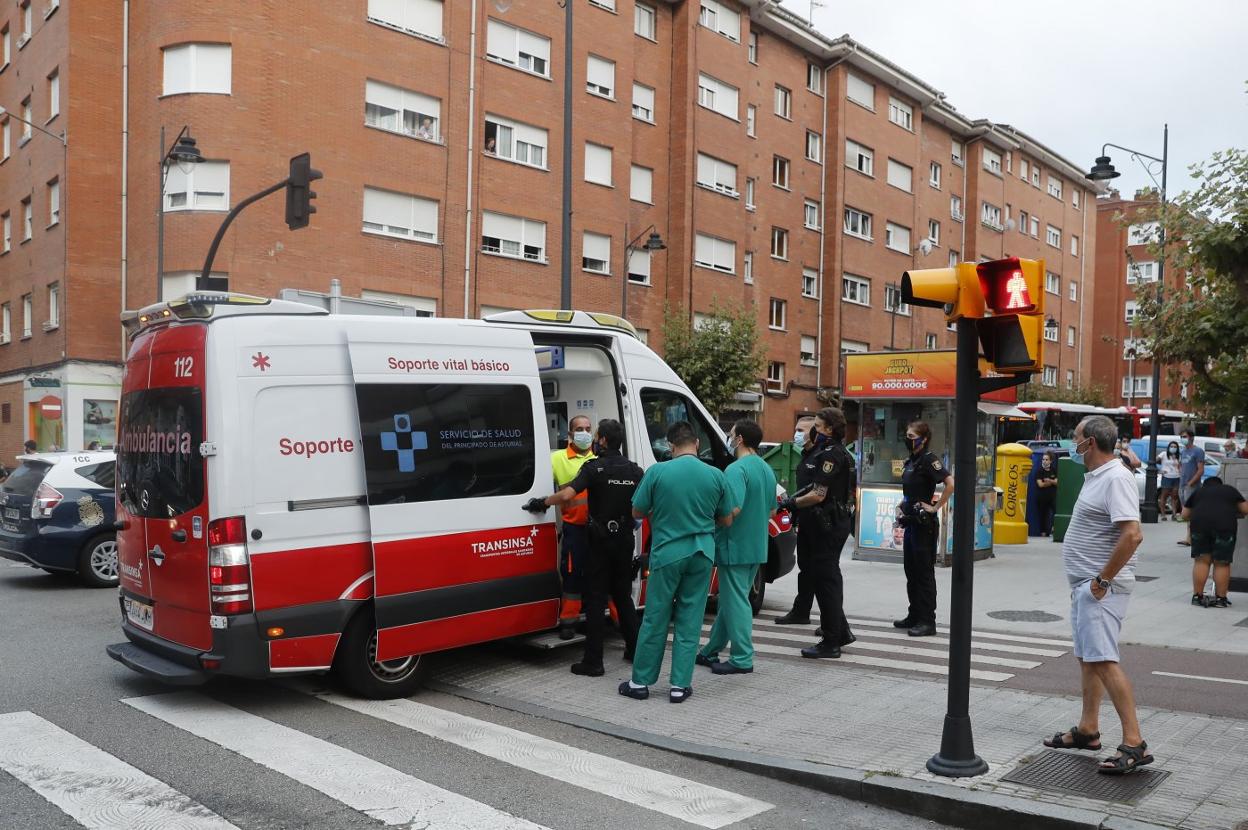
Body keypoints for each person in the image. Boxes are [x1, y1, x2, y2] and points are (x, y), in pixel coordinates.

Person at [1042, 415, 1152, 775]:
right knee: (1089, 658)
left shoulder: (1116, 477)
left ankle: (1134, 742)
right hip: (1087, 587)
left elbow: (1132, 535)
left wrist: (1102, 580)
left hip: (1101, 588)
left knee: (1103, 660)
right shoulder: (1099, 477)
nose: (1073, 444)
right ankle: (1088, 730)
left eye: (1075, 438)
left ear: (1089, 442)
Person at [622, 421, 730, 703]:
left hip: (667, 554)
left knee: (655, 617)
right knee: (690, 619)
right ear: (696, 444)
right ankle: (679, 686)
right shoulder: (716, 475)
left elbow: (636, 509)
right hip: (702, 554)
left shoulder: (657, 472)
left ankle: (640, 683)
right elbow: (727, 518)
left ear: (670, 447)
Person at [526, 419, 643, 674]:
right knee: (623, 597)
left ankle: (593, 661)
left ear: (602, 440)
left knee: (595, 598)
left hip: (600, 542)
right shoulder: (635, 471)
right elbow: (644, 507)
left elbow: (567, 495)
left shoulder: (594, 468)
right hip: (625, 541)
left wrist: (543, 502)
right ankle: (636, 652)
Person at [697, 419, 776, 675]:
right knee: (731, 601)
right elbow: (772, 508)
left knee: (736, 602)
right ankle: (711, 650)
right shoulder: (766, 469)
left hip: (734, 545)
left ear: (740, 439)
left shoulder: (735, 469)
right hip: (756, 545)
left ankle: (742, 658)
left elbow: (732, 510)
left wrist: (708, 517)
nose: (729, 439)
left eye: (731, 435)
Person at [778, 407, 857, 658]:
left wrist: (790, 504)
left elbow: (818, 494)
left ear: (830, 429)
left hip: (828, 524)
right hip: (828, 522)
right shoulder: (834, 453)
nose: (815, 431)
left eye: (819, 427)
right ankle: (840, 632)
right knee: (824, 578)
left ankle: (832, 641)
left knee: (827, 582)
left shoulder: (831, 455)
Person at [893, 420, 953, 637]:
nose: (908, 439)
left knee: (924, 573)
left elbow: (950, 483)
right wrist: (902, 505)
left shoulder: (929, 459)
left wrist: (935, 507)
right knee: (911, 571)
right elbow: (911, 491)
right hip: (910, 523)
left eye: (911, 436)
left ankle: (928, 621)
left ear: (923, 438)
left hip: (924, 525)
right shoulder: (912, 461)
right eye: (907, 435)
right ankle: (914, 614)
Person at [551, 415, 596, 639]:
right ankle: (568, 621)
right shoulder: (557, 459)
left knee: (599, 575)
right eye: (579, 429)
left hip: (597, 530)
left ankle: (607, 619)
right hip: (574, 528)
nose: (585, 433)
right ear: (569, 434)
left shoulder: (598, 458)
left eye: (588, 429)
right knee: (571, 575)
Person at [774, 424, 820, 625]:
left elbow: (816, 493)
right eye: (796, 429)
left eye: (802, 429)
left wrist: (792, 503)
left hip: (819, 521)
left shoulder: (820, 457)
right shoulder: (806, 455)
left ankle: (833, 623)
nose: (797, 433)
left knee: (821, 572)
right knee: (806, 568)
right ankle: (801, 610)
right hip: (805, 518)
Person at [1183, 476, 1248, 608]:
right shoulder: (1230, 490)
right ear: (1220, 484)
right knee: (1222, 563)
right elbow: (1245, 509)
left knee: (1201, 561)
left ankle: (1197, 596)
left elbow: (1184, 514)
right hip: (1224, 527)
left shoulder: (1198, 492)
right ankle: (1220, 599)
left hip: (1200, 527)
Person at [1177, 430, 1206, 547]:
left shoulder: (1198, 451)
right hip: (1182, 484)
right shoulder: (1183, 451)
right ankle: (1189, 537)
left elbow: (1200, 470)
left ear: (1191, 438)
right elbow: (1180, 465)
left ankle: (1193, 537)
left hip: (1192, 486)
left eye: (1184, 436)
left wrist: (1191, 482)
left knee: (1192, 511)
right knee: (1186, 512)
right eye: (1181, 436)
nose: (1182, 438)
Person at [1034, 451, 1058, 537]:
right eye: (1043, 459)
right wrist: (1052, 482)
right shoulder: (1039, 471)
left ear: (1051, 461)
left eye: (1046, 459)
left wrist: (1049, 481)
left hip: (1052, 497)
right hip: (1041, 498)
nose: (1044, 461)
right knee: (1042, 516)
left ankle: (1054, 529)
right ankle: (1043, 534)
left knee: (1056, 512)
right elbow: (1040, 484)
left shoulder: (1054, 470)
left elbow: (1058, 482)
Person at [1157, 441, 1182, 520]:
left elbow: (1180, 466)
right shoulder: (1163, 454)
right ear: (1168, 447)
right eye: (1172, 446)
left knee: (1175, 496)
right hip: (1167, 477)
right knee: (1164, 495)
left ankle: (1174, 514)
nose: (1173, 448)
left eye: (1175, 447)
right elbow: (1153, 460)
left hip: (1176, 477)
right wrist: (1159, 471)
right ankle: (1163, 514)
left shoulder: (1179, 456)